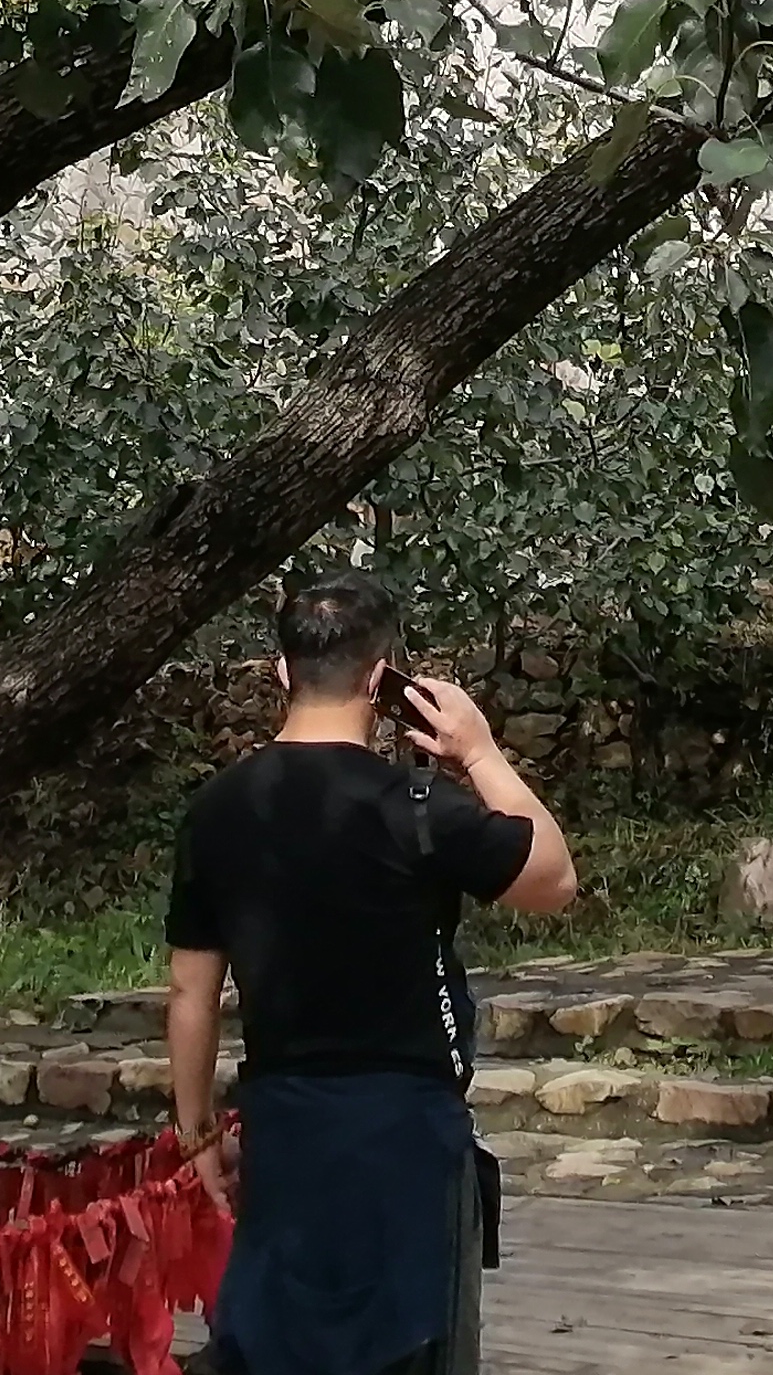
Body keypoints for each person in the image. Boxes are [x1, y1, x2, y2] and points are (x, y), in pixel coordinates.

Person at [165, 572, 577, 1375]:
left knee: (278, 1343)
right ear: (380, 676)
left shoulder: (216, 811)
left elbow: (191, 993)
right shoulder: (416, 806)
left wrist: (197, 1134)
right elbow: (553, 879)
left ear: (281, 669)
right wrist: (479, 751)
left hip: (284, 1124)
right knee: (407, 1342)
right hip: (404, 1130)